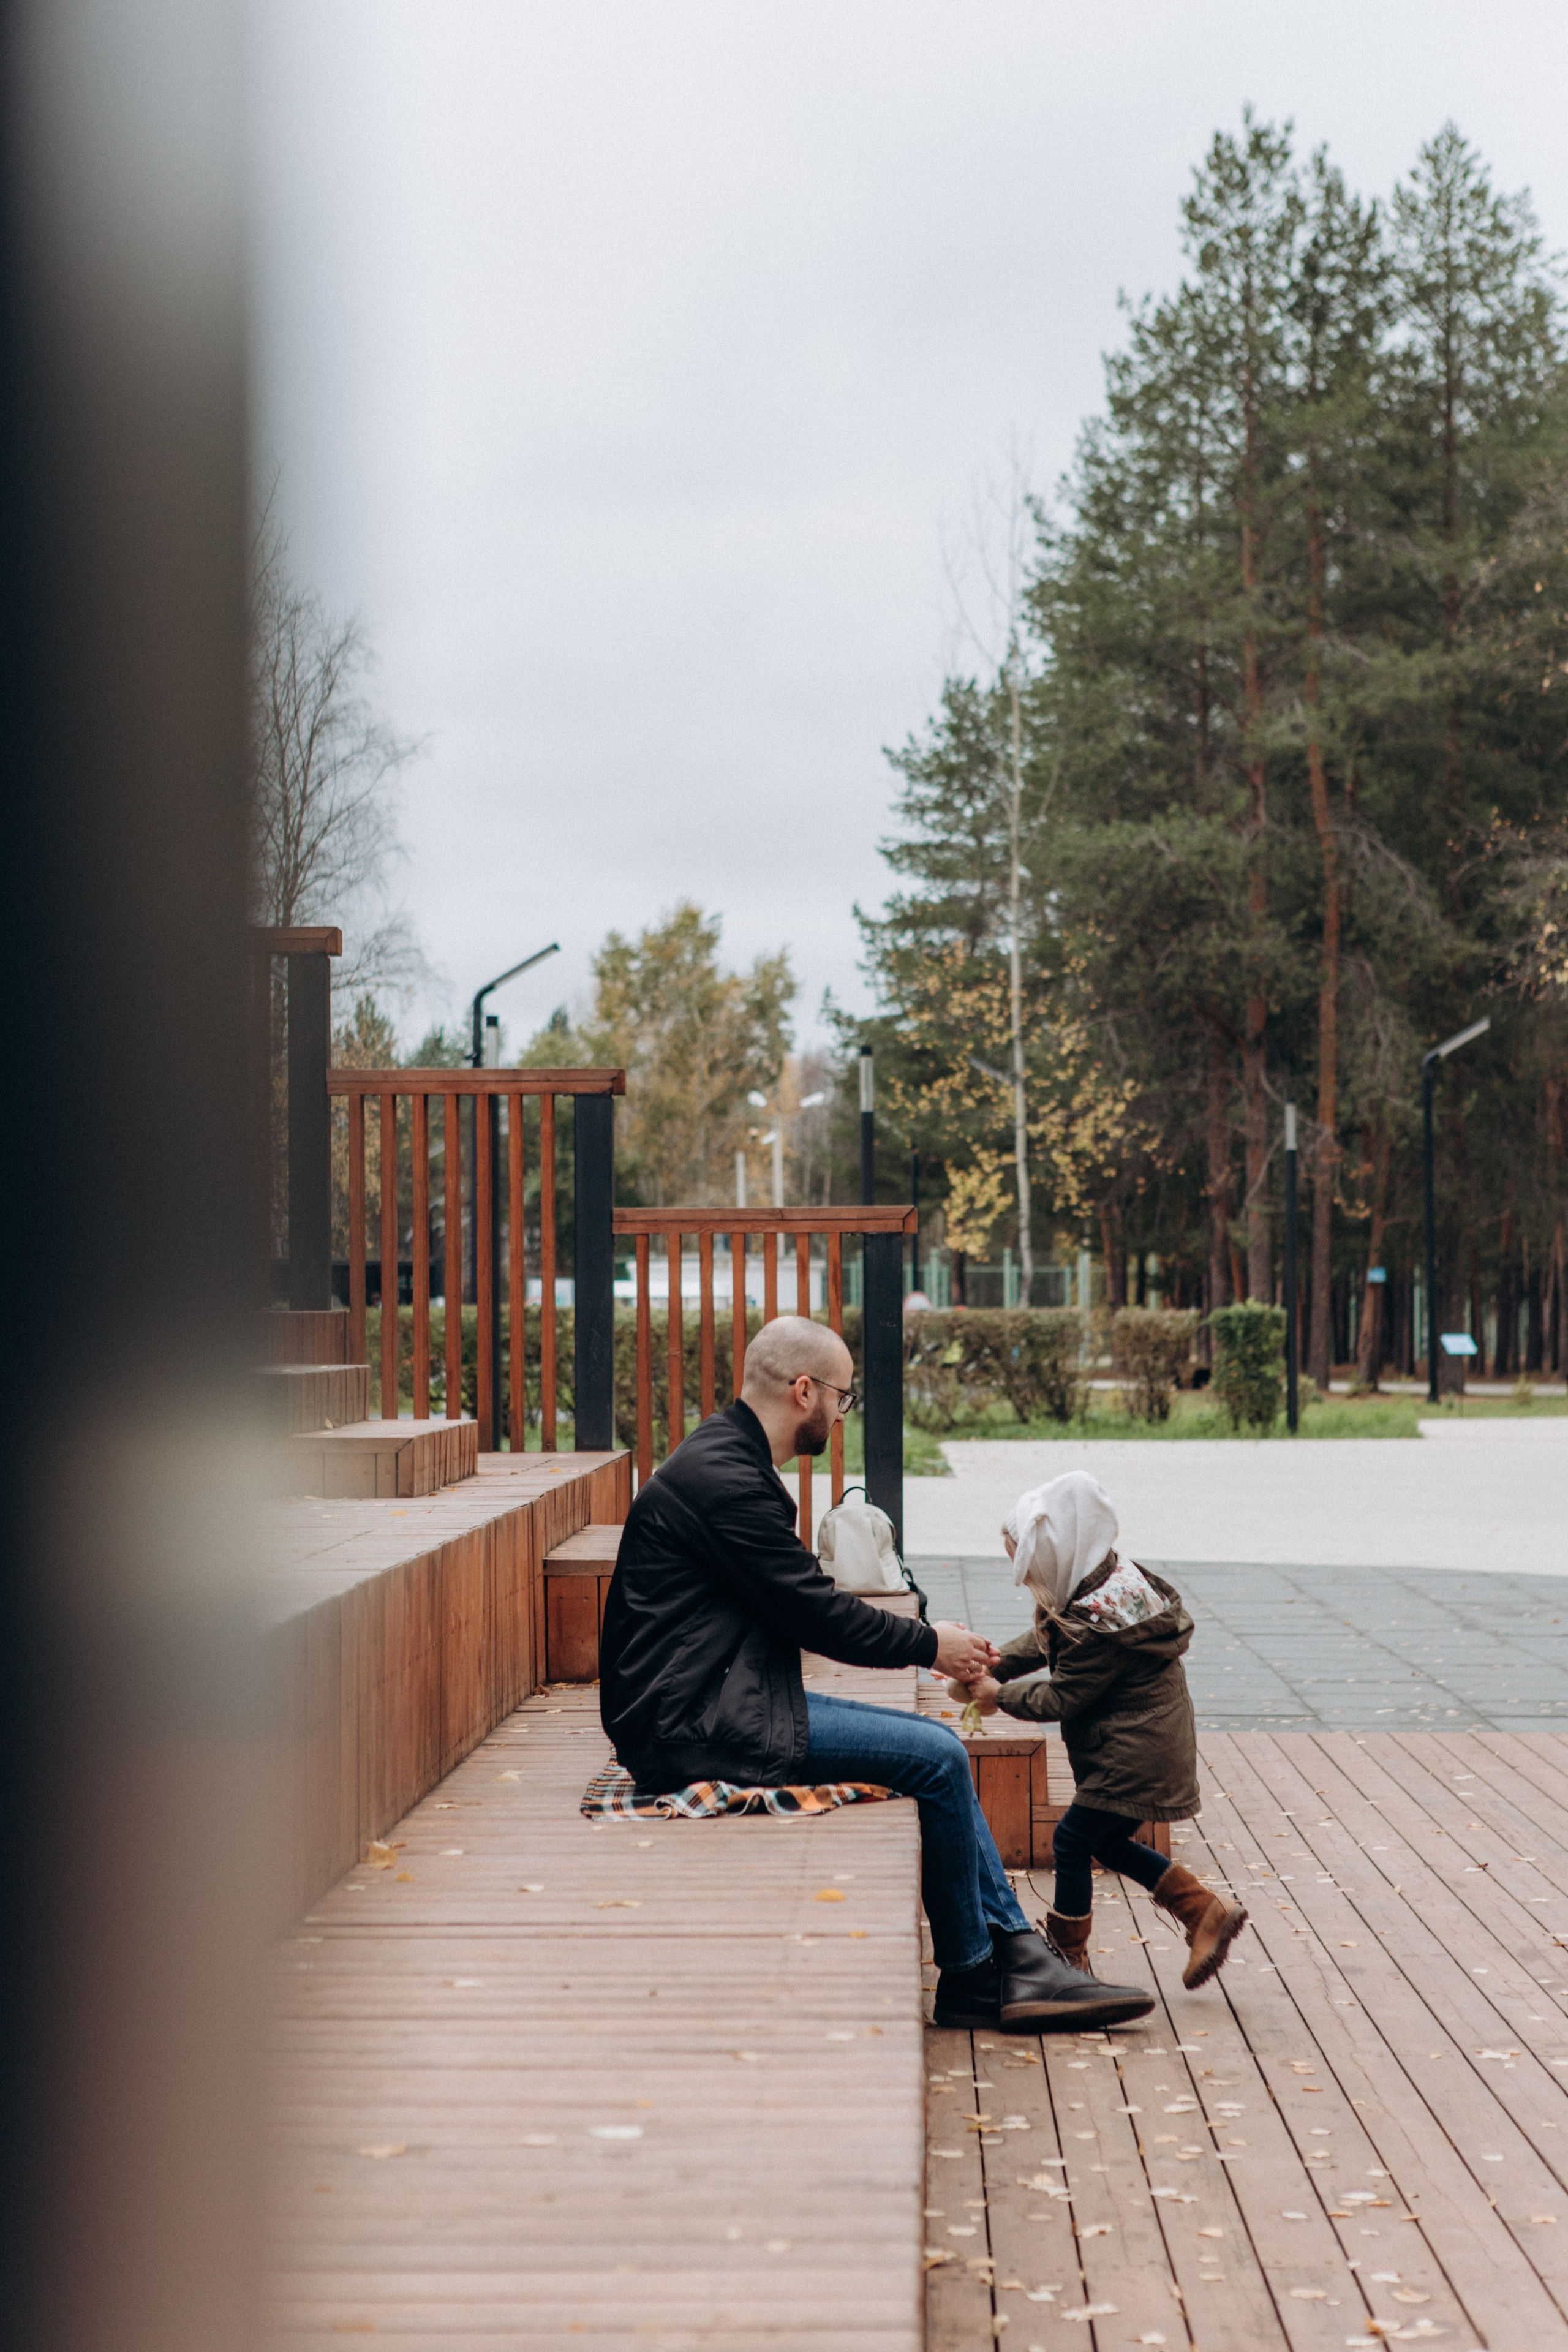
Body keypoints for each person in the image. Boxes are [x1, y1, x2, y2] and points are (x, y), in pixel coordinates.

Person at [598, 1316, 1152, 2032]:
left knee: (933, 1749)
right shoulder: (727, 1481)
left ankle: (1006, 1957)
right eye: (841, 1397)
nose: (841, 1412)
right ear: (803, 1391)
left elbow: (799, 1605)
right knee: (936, 1755)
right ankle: (983, 1973)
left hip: (710, 1704)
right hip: (694, 1727)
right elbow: (816, 1614)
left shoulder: (724, 1459)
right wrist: (930, 1645)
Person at [951, 1470, 1247, 1989]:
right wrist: (994, 1663)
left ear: (1056, 1555)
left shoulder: (1099, 1621)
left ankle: (1068, 1962)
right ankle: (1202, 1910)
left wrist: (1000, 1696)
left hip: (1133, 1749)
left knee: (1070, 1841)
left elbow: (1064, 1696)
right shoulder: (1100, 1583)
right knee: (1106, 1842)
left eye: (1025, 1566)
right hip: (1145, 1739)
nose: (1022, 1579)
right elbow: (1050, 1633)